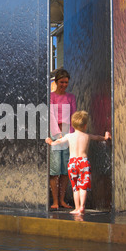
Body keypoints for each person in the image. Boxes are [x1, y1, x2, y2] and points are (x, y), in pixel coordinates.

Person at [46, 110, 111, 215]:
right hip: (84, 163)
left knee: (75, 188)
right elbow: (98, 138)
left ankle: (76, 208)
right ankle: (82, 207)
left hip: (72, 163)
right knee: (83, 187)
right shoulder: (87, 136)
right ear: (85, 126)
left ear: (72, 124)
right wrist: (106, 137)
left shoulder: (69, 136)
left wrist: (50, 142)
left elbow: (57, 143)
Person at [49, 68, 77, 210]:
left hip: (67, 135)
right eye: (62, 82)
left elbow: (74, 116)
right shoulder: (51, 97)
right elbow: (51, 116)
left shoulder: (71, 97)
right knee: (55, 169)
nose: (64, 85)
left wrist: (71, 135)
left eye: (66, 82)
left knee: (65, 170)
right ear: (56, 82)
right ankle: (54, 201)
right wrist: (57, 133)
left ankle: (62, 200)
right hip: (55, 134)